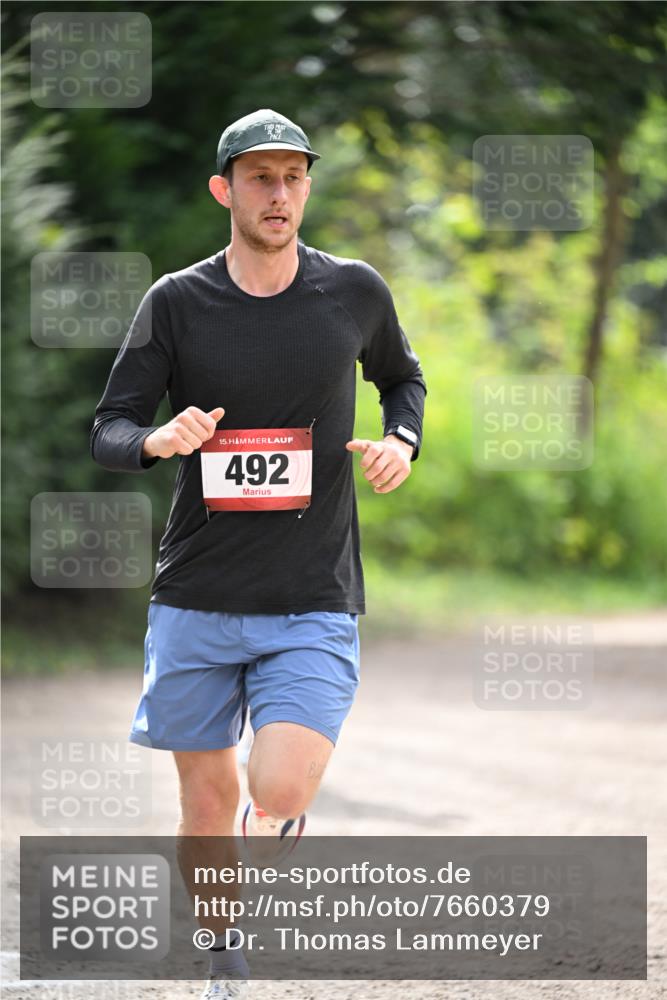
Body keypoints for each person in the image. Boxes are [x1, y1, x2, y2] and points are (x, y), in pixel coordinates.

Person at [90, 108, 426, 999]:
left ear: (308, 185)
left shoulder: (352, 291)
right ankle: (223, 953)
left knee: (274, 790)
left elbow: (403, 378)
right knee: (203, 804)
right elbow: (109, 430)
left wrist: (402, 439)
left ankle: (274, 818)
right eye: (259, 178)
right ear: (224, 190)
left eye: (293, 177)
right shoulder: (177, 300)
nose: (279, 194)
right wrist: (158, 441)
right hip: (196, 594)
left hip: (310, 594)